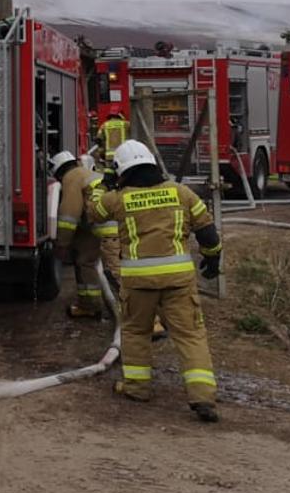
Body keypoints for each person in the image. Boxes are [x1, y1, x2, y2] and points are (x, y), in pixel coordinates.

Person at [91, 140, 224, 423]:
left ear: (123, 171)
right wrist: (213, 259)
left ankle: (137, 389)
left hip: (138, 284)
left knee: (136, 333)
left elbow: (94, 211)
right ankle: (203, 397)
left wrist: (105, 182)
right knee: (190, 335)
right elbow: (208, 233)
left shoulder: (119, 198)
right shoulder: (182, 193)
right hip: (178, 282)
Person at [51, 151, 108, 318]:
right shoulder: (86, 173)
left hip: (101, 224)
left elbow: (69, 215)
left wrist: (62, 243)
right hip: (102, 220)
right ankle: (89, 304)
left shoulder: (71, 178)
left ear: (59, 171)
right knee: (86, 258)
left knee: (86, 263)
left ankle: (90, 306)